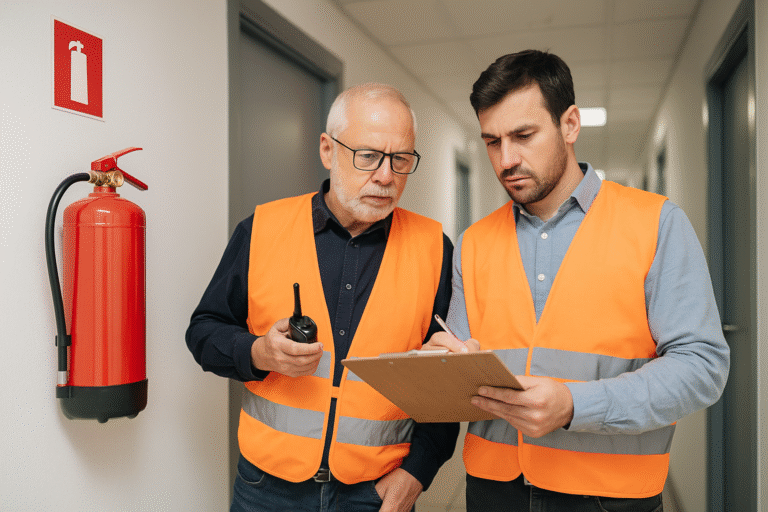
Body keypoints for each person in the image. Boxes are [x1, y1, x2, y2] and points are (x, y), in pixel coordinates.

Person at [424, 50, 730, 512]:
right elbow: (465, 359)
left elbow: (701, 365)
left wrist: (574, 404)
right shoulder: (473, 242)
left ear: (570, 124)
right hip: (493, 489)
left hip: (609, 494)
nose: (506, 159)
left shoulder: (656, 223)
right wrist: (443, 366)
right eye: (492, 141)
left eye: (524, 136)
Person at [186, 83, 458, 512]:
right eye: (368, 156)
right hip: (266, 489)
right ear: (328, 150)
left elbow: (446, 381)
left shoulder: (434, 249)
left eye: (401, 159)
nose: (386, 176)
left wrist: (417, 472)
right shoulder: (261, 229)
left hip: (375, 493)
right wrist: (259, 352)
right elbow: (203, 332)